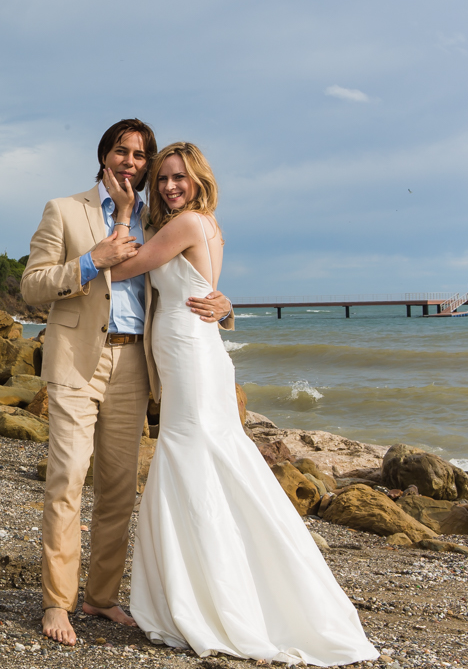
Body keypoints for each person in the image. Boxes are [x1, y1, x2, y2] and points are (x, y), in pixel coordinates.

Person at [111, 143, 378, 665]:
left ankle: (214, 600)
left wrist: (122, 214)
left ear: (198, 180)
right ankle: (210, 591)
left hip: (190, 355)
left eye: (179, 177)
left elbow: (124, 268)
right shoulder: (206, 225)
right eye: (163, 177)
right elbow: (205, 289)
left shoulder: (188, 223)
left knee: (196, 461)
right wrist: (225, 303)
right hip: (191, 351)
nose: (168, 186)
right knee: (205, 463)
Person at [21, 120, 234, 647]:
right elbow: (32, 286)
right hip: (76, 359)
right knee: (68, 480)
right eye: (123, 151)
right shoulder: (64, 210)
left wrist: (225, 308)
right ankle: (57, 602)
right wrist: (93, 259)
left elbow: (195, 277)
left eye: (142, 156)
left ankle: (101, 596)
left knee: (118, 490)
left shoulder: (160, 215)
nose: (132, 163)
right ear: (104, 155)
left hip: (137, 363)